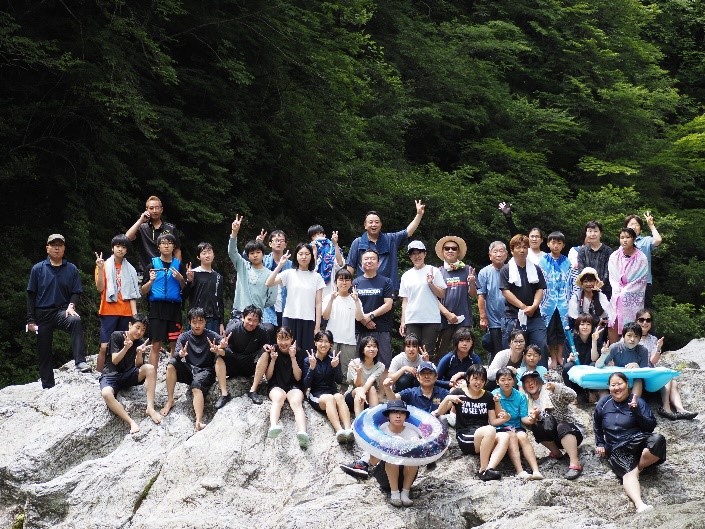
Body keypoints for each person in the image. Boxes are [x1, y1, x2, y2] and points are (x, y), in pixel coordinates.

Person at [341, 361, 448, 479]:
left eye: (430, 373)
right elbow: (393, 400)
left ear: (436, 376)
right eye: (423, 374)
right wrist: (387, 388)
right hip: (408, 430)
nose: (426, 376)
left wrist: (451, 397)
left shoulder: (443, 393)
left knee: (442, 419)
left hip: (426, 433)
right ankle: (363, 463)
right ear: (418, 376)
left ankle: (429, 458)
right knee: (382, 434)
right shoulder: (411, 392)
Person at [594, 372, 666, 514]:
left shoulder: (638, 401)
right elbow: (597, 425)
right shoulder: (603, 403)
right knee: (628, 473)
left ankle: (637, 468)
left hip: (637, 440)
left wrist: (637, 411)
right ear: (609, 388)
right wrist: (600, 443)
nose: (616, 388)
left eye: (619, 383)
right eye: (613, 385)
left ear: (627, 384)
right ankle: (640, 504)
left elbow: (650, 427)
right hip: (617, 447)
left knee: (658, 440)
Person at [27, 234, 90, 389]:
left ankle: (80, 361)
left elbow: (76, 291)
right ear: (47, 248)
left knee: (75, 320)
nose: (56, 247)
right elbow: (31, 295)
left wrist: (71, 305)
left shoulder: (71, 268)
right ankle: (48, 386)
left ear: (64, 248)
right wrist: (30, 320)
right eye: (53, 244)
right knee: (44, 350)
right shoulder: (38, 268)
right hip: (42, 313)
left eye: (60, 245)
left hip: (62, 311)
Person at [433, 365, 510, 481]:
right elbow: (440, 412)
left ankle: (489, 469)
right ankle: (483, 470)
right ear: (468, 378)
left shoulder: (488, 396)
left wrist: (507, 417)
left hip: (483, 436)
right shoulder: (458, 393)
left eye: (482, 380)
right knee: (489, 430)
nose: (478, 382)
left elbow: (493, 421)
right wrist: (448, 398)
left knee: (504, 436)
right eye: (475, 378)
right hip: (465, 436)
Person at [160, 308, 228, 431]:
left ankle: (198, 421)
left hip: (206, 371)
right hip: (190, 369)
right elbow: (175, 355)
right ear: (189, 322)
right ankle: (170, 400)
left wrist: (221, 346)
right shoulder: (183, 337)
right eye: (194, 322)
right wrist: (180, 354)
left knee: (196, 386)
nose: (197, 325)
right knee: (171, 364)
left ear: (205, 322)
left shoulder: (211, 335)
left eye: (201, 322)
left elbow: (224, 348)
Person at [99, 314, 161, 433]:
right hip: (111, 375)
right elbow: (115, 360)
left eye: (143, 330)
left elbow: (138, 366)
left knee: (150, 368)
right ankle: (131, 422)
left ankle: (150, 408)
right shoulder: (117, 335)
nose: (139, 332)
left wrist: (139, 353)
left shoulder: (140, 342)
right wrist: (126, 348)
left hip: (127, 375)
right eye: (137, 327)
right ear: (130, 325)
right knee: (106, 393)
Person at [346, 200, 426, 290]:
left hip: (386, 289)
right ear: (365, 225)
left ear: (381, 225)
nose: (374, 224)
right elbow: (350, 267)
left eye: (376, 222)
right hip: (363, 289)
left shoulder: (390, 239)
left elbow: (408, 232)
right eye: (370, 222)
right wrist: (346, 288)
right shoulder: (357, 242)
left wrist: (419, 215)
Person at [520, 371, 584, 479]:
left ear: (539, 381)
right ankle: (556, 453)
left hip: (571, 432)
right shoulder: (527, 402)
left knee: (562, 426)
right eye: (527, 382)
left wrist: (556, 387)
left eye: (533, 381)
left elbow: (573, 396)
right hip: (554, 435)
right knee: (537, 426)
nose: (531, 384)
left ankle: (575, 463)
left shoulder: (550, 392)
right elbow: (527, 424)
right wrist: (533, 418)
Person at [634, 309, 697, 420]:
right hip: (639, 375)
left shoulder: (653, 339)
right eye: (641, 319)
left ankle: (680, 409)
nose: (645, 322)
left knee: (672, 380)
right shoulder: (631, 336)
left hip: (650, 373)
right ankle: (666, 407)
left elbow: (653, 361)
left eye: (648, 320)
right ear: (636, 321)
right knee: (667, 377)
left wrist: (658, 348)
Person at [500, 234, 548, 368]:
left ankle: (540, 377)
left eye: (525, 247)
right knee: (514, 349)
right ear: (512, 250)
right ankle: (509, 378)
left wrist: (533, 306)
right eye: (518, 247)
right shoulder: (506, 269)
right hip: (513, 316)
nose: (522, 250)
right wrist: (522, 306)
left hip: (534, 315)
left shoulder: (535, 268)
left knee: (541, 344)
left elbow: (540, 289)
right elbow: (505, 291)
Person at [265, 243, 324, 352]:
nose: (304, 257)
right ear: (296, 256)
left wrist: (317, 327)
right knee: (286, 350)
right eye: (300, 254)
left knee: (306, 351)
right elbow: (269, 283)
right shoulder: (289, 273)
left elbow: (318, 303)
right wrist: (280, 266)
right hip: (289, 317)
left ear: (311, 256)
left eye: (307, 254)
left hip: (308, 319)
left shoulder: (317, 277)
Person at [94, 234, 140, 372]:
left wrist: (135, 316)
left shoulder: (131, 269)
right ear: (112, 248)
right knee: (104, 346)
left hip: (126, 312)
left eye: (123, 247)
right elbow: (100, 288)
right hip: (108, 310)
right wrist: (101, 269)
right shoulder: (103, 265)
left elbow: (132, 294)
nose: (120, 249)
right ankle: (98, 374)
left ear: (127, 250)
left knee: (124, 344)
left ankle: (121, 372)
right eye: (118, 246)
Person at [140, 233, 186, 368]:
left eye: (170, 243)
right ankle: (151, 373)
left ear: (174, 246)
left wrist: (180, 279)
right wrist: (151, 280)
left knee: (174, 342)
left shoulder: (179, 266)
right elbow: (143, 290)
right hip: (157, 307)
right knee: (156, 342)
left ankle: (172, 371)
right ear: (158, 247)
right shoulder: (151, 266)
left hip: (174, 307)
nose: (166, 245)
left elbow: (185, 288)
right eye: (163, 243)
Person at [227, 215, 277, 335]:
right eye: (252, 253)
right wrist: (234, 233)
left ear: (263, 254)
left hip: (257, 316)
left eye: (258, 252)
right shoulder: (242, 266)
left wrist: (260, 302)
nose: (255, 255)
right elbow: (232, 252)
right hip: (239, 312)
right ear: (248, 255)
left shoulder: (270, 274)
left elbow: (272, 299)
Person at [492, 368, 544, 480]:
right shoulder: (494, 395)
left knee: (523, 436)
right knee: (512, 435)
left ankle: (536, 470)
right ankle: (520, 470)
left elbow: (523, 418)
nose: (506, 382)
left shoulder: (520, 396)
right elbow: (495, 416)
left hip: (516, 426)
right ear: (497, 382)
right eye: (503, 380)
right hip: (501, 428)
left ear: (514, 381)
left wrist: (532, 419)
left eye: (509, 379)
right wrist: (496, 403)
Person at [302, 330, 353, 443]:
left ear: (331, 344)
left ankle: (349, 430)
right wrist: (312, 367)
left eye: (327, 341)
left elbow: (339, 381)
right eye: (320, 341)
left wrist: (335, 367)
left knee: (339, 397)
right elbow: (306, 384)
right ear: (315, 343)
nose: (323, 344)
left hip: (332, 392)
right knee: (330, 398)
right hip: (316, 395)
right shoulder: (308, 360)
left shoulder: (333, 359)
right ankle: (339, 431)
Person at [398, 241, 447, 353]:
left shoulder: (434, 271)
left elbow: (442, 294)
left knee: (426, 352)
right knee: (411, 352)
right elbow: (405, 300)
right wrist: (403, 321)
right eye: (413, 253)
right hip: (412, 319)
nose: (417, 256)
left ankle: (426, 371)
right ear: (410, 257)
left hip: (431, 319)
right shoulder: (406, 275)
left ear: (425, 254)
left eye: (419, 252)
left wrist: (430, 283)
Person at [265, 327, 309, 448]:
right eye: (280, 338)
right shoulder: (272, 350)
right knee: (278, 398)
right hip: (276, 385)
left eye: (286, 339)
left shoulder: (299, 352)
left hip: (294, 385)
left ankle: (303, 432)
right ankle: (273, 425)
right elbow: (268, 377)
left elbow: (298, 377)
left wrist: (293, 357)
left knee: (296, 402)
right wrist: (273, 360)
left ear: (292, 339)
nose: (283, 343)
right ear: (276, 339)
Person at [220, 305, 273, 406]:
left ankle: (253, 391)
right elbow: (221, 344)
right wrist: (222, 345)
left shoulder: (262, 331)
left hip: (250, 364)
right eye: (249, 319)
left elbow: (265, 346)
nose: (251, 323)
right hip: (234, 362)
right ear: (242, 317)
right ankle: (224, 394)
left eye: (255, 320)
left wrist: (267, 347)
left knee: (265, 353)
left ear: (259, 321)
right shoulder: (234, 329)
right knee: (219, 355)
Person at [434, 235, 476, 360]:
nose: (450, 251)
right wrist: (447, 314)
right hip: (443, 319)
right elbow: (433, 298)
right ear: (443, 252)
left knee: (464, 352)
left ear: (458, 252)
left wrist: (472, 282)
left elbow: (473, 295)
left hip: (464, 319)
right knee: (440, 352)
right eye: (447, 248)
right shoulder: (438, 271)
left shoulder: (468, 270)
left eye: (454, 248)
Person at [352, 249, 394, 371]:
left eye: (372, 258)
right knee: (359, 363)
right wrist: (363, 321)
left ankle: (382, 390)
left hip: (381, 328)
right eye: (366, 259)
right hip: (360, 329)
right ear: (361, 262)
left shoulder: (386, 282)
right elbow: (352, 305)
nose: (369, 261)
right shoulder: (355, 283)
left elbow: (388, 304)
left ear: (378, 263)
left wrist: (370, 316)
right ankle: (361, 389)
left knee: (384, 363)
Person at [608, 227, 648, 344]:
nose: (624, 240)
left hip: (632, 295)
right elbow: (613, 275)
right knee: (613, 321)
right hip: (616, 293)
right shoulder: (614, 256)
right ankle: (613, 350)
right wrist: (618, 289)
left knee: (631, 325)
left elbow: (640, 279)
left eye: (628, 237)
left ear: (634, 239)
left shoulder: (641, 258)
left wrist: (626, 291)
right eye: (622, 237)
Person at [379, 400, 423, 507]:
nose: (398, 416)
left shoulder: (412, 432)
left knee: (413, 455)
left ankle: (405, 493)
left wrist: (414, 444)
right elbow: (373, 461)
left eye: (402, 413)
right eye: (394, 412)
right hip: (386, 476)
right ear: (388, 416)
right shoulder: (381, 431)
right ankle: (394, 494)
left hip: (406, 475)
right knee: (393, 456)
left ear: (405, 416)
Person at [538, 231, 571, 370]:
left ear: (563, 245)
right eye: (553, 242)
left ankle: (560, 356)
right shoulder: (543, 260)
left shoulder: (566, 261)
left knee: (562, 329)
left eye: (559, 243)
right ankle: (552, 356)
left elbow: (570, 281)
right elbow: (541, 280)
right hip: (548, 301)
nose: (556, 245)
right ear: (548, 243)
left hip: (563, 301)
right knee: (550, 330)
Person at [322, 268, 364, 371]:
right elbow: (325, 316)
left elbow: (359, 318)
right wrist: (332, 300)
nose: (344, 282)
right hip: (331, 340)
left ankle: (345, 388)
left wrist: (356, 301)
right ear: (336, 282)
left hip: (349, 341)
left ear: (351, 282)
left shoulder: (355, 299)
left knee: (347, 370)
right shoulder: (329, 297)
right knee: (329, 368)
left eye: (347, 279)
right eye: (341, 279)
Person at [125, 195, 181, 272]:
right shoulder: (142, 228)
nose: (154, 211)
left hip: (167, 270)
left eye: (157, 208)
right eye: (151, 208)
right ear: (146, 210)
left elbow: (177, 250)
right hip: (146, 270)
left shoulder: (170, 228)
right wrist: (140, 220)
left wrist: (177, 269)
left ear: (161, 209)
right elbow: (127, 238)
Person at [596, 322, 649, 397]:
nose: (632, 339)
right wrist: (604, 356)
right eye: (629, 335)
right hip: (618, 378)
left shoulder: (643, 351)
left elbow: (645, 373)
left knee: (638, 381)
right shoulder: (615, 347)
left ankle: (633, 403)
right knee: (604, 389)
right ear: (623, 336)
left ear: (640, 338)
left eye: (636, 336)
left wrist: (638, 368)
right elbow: (598, 366)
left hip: (634, 380)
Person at [183, 242, 225, 335]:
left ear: (214, 255)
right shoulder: (193, 273)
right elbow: (184, 296)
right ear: (198, 257)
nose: (207, 255)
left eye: (209, 252)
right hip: (196, 318)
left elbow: (220, 301)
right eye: (204, 253)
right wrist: (189, 281)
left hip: (213, 319)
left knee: (212, 347)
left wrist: (221, 322)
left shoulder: (218, 277)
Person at [477, 241, 508, 361]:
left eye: (501, 251)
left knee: (510, 348)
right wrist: (483, 317)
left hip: (511, 317)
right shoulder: (484, 272)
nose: (498, 254)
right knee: (497, 350)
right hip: (493, 318)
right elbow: (481, 296)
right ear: (490, 255)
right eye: (495, 252)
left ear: (506, 254)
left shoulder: (512, 270)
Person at [624, 212, 662, 308]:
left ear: (640, 228)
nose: (634, 226)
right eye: (631, 224)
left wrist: (651, 225)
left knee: (644, 313)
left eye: (637, 224)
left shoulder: (646, 240)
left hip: (644, 283)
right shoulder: (623, 242)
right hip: (627, 284)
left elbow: (658, 240)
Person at [562, 314, 602, 401]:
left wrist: (594, 341)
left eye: (588, 324)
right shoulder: (570, 338)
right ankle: (573, 392)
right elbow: (567, 360)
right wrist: (570, 358)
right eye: (582, 324)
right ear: (577, 326)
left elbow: (594, 359)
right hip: (576, 366)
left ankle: (591, 391)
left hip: (589, 366)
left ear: (592, 326)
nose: (585, 327)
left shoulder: (596, 338)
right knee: (567, 367)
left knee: (594, 365)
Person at [345, 336, 385, 416]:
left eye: (374, 346)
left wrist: (363, 392)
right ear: (362, 349)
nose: (372, 349)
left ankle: (373, 417)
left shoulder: (380, 366)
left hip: (368, 398)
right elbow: (357, 385)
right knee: (359, 389)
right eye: (368, 346)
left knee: (372, 388)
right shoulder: (354, 363)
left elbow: (371, 379)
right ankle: (358, 423)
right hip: (352, 398)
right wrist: (359, 373)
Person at [577, 220, 613, 300]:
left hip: (604, 292)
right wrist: (588, 287)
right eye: (590, 231)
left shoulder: (608, 251)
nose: (592, 234)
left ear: (601, 233)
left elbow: (608, 272)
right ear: (586, 233)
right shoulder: (582, 251)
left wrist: (599, 286)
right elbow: (581, 272)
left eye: (595, 231)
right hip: (586, 291)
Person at [262, 230, 291, 327]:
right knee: (268, 331)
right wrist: (257, 244)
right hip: (266, 308)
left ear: (286, 244)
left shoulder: (291, 265)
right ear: (270, 243)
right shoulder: (263, 260)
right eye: (276, 240)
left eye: (281, 240)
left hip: (285, 307)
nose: (278, 243)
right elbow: (246, 259)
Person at [308, 224, 345, 297]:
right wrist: (314, 253)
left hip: (330, 284)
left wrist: (335, 244)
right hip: (314, 285)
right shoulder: (308, 249)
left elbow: (340, 264)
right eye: (313, 236)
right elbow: (311, 269)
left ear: (324, 235)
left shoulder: (332, 247)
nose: (317, 237)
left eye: (319, 234)